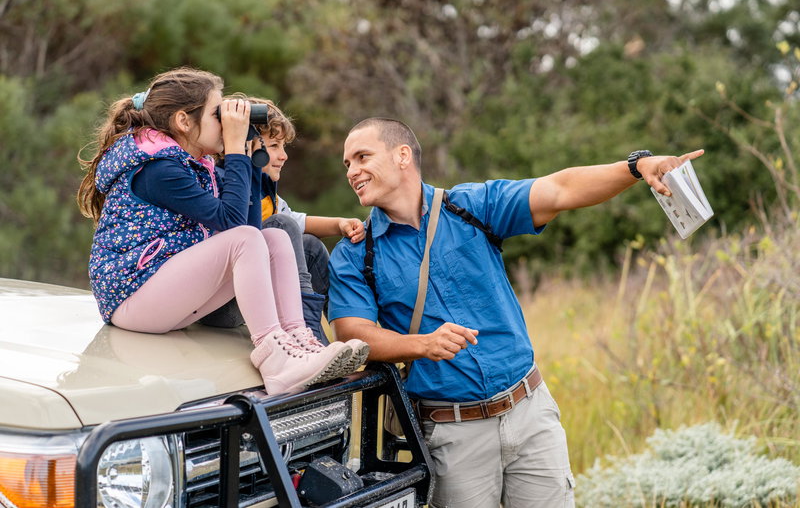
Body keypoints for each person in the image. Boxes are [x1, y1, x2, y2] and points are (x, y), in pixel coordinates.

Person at [327, 117, 704, 508]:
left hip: (530, 414)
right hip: (453, 436)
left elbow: (559, 189)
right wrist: (421, 345)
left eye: (362, 157)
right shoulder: (355, 254)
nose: (352, 171)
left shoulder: (469, 206)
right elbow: (353, 335)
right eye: (347, 164)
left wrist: (636, 167)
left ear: (402, 155)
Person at [76, 67, 366, 395]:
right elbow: (235, 227)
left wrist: (250, 158)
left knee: (273, 236)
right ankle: (275, 359)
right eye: (218, 114)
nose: (227, 121)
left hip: (162, 297)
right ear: (184, 121)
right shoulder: (159, 170)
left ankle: (299, 341)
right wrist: (237, 149)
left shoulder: (195, 165)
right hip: (131, 300)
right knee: (245, 239)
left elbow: (251, 226)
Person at [201, 98, 366, 357]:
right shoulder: (223, 183)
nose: (284, 155)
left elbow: (297, 221)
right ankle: (308, 331)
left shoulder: (266, 193)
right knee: (281, 226)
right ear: (247, 144)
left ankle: (347, 332)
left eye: (284, 146)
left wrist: (339, 224)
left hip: (252, 298)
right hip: (223, 305)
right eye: (274, 146)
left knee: (310, 246)